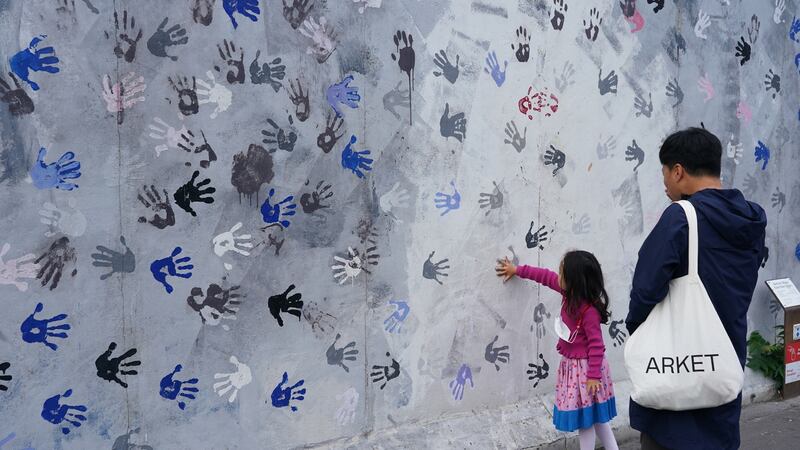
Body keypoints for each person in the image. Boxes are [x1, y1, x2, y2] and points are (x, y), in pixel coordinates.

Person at [626, 127, 767, 449]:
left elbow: (645, 291)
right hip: (724, 358)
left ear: (678, 171)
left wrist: (642, 332)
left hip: (676, 364)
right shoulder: (752, 220)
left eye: (664, 174)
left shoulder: (680, 218)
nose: (664, 185)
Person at [496, 251, 619, 450]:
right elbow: (544, 276)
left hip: (587, 372)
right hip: (577, 369)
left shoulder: (589, 311)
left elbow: (597, 345)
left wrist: (593, 376)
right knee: (595, 418)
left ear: (575, 281)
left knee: (587, 421)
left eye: (562, 274)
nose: (558, 277)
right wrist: (516, 270)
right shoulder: (568, 293)